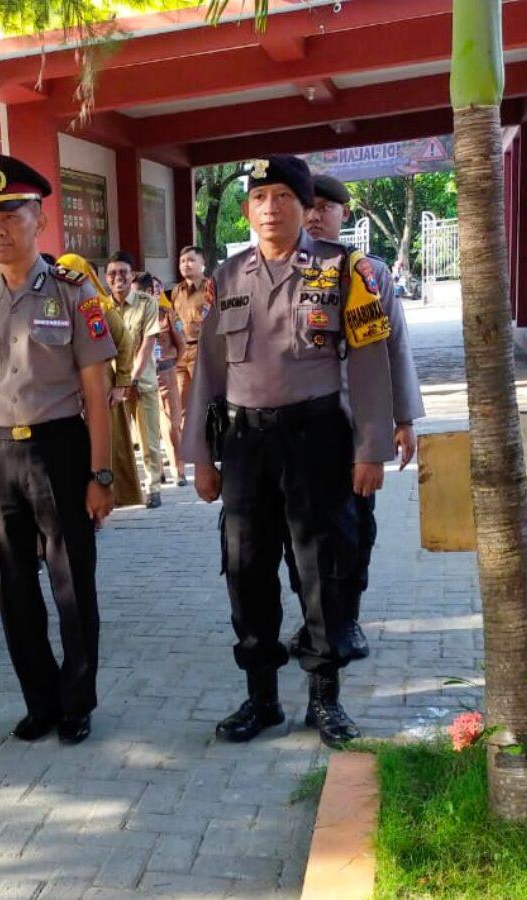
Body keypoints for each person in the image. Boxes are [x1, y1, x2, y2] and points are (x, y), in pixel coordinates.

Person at [181, 155, 396, 748]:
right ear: (246, 208)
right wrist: (201, 456)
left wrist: (371, 447)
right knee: (247, 567)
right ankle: (261, 699)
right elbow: (208, 372)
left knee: (322, 569)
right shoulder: (226, 277)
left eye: (282, 197)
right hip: (247, 443)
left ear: (306, 206)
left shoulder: (346, 270)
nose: (269, 208)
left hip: (318, 438)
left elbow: (372, 364)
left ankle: (324, 701)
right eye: (259, 198)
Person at [0, 154, 116, 745]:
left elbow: (98, 393)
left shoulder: (74, 293)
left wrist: (101, 473)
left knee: (72, 587)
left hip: (61, 450)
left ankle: (77, 702)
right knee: (15, 592)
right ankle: (40, 701)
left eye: (10, 215)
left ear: (38, 219)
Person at [288, 172, 426, 660]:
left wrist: (404, 420)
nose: (316, 215)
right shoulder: (285, 270)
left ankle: (346, 618)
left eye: (327, 207)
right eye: (310, 206)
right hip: (300, 428)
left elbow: (396, 349)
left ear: (344, 215)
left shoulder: (368, 272)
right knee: (298, 533)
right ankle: (314, 621)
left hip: (357, 426)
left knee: (354, 527)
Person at [56, 253, 143, 508]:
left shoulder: (101, 307)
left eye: (70, 273)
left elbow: (125, 343)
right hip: (70, 390)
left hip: (102, 388)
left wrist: (121, 384)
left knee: (106, 445)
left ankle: (109, 496)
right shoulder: (56, 308)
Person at [106, 251, 165, 508]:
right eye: (112, 273)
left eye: (123, 273)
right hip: (112, 387)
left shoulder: (146, 302)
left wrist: (129, 381)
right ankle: (120, 490)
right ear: (106, 278)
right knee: (116, 441)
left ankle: (153, 487)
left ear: (132, 276)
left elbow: (147, 344)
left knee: (149, 439)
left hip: (143, 382)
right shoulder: (100, 306)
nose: (118, 278)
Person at [170, 246, 211, 418]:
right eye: (183, 261)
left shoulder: (210, 288)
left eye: (191, 260)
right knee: (181, 402)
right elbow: (174, 319)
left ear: (202, 263)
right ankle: (186, 442)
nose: (186, 264)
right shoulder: (176, 291)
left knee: (204, 399)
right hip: (181, 351)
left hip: (201, 350)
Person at [152, 293, 188, 487]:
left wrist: (172, 365)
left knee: (172, 423)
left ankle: (178, 470)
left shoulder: (167, 315)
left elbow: (181, 344)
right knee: (148, 428)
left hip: (165, 373)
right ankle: (157, 471)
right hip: (141, 376)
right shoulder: (129, 314)